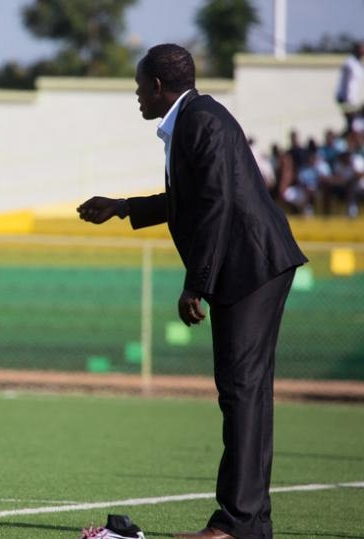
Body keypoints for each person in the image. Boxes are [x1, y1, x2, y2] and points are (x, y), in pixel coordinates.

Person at [77, 44, 307, 539]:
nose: (137, 95)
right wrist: (121, 207)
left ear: (159, 86)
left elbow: (216, 205)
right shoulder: (194, 118)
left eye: (140, 85)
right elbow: (192, 198)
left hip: (251, 266)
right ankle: (252, 523)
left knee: (242, 391)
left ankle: (238, 522)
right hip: (252, 264)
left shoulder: (199, 120)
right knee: (245, 393)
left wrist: (194, 285)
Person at [335, 41, 364, 135]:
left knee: (354, 124)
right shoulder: (350, 63)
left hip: (353, 100)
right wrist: (348, 101)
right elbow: (346, 83)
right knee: (351, 124)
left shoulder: (358, 64)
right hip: (345, 98)